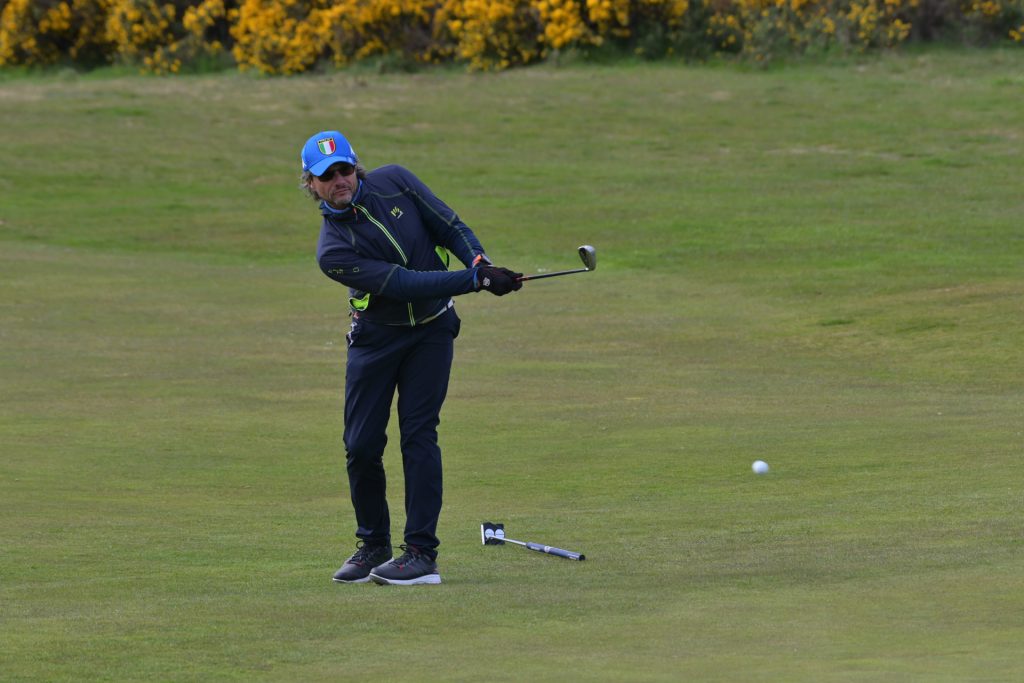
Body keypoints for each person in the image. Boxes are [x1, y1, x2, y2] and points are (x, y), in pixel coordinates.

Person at [300, 130, 523, 586]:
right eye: (327, 176)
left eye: (345, 169)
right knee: (361, 445)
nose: (339, 180)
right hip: (375, 339)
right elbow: (403, 283)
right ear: (311, 184)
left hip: (432, 332)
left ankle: (421, 554)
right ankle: (373, 545)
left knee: (419, 435)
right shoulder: (332, 250)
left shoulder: (396, 181)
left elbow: (449, 226)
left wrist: (479, 263)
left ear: (356, 168)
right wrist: (474, 282)